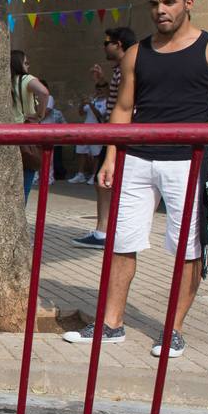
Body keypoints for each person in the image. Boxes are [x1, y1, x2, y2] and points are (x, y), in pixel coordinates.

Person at [63, 0, 208, 358]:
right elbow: (123, 108)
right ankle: (111, 325)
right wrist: (111, 155)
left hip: (189, 162)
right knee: (121, 243)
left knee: (187, 249)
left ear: (188, 4)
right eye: (155, 3)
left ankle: (173, 330)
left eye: (169, 2)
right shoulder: (136, 53)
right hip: (136, 160)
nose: (161, 10)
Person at [73, 26, 136, 248]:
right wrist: (100, 80)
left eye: (106, 42)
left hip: (119, 135)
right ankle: (105, 230)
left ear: (118, 44)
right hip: (114, 134)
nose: (104, 47)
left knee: (106, 182)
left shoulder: (129, 66)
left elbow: (125, 102)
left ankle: (105, 232)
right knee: (105, 182)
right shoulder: (120, 69)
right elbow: (114, 94)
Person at [10, 49, 50, 200]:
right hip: (25, 134)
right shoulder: (25, 79)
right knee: (26, 178)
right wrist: (40, 114)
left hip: (7, 135)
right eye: (26, 63)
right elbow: (44, 92)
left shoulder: (6, 81)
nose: (28, 66)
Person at [69, 80, 110, 184]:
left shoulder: (107, 101)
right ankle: (80, 174)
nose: (99, 90)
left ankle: (93, 175)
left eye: (102, 88)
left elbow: (100, 115)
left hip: (98, 131)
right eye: (98, 88)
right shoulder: (93, 99)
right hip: (86, 129)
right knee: (81, 151)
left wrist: (91, 104)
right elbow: (81, 113)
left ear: (106, 89)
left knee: (96, 154)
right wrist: (82, 104)